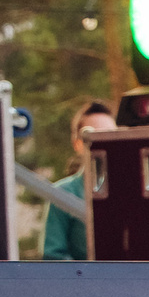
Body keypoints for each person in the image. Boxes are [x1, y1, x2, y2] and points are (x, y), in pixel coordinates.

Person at [42, 101, 116, 261]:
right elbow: (53, 255)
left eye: (110, 134)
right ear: (77, 144)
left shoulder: (133, 190)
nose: (103, 142)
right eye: (92, 136)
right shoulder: (62, 193)